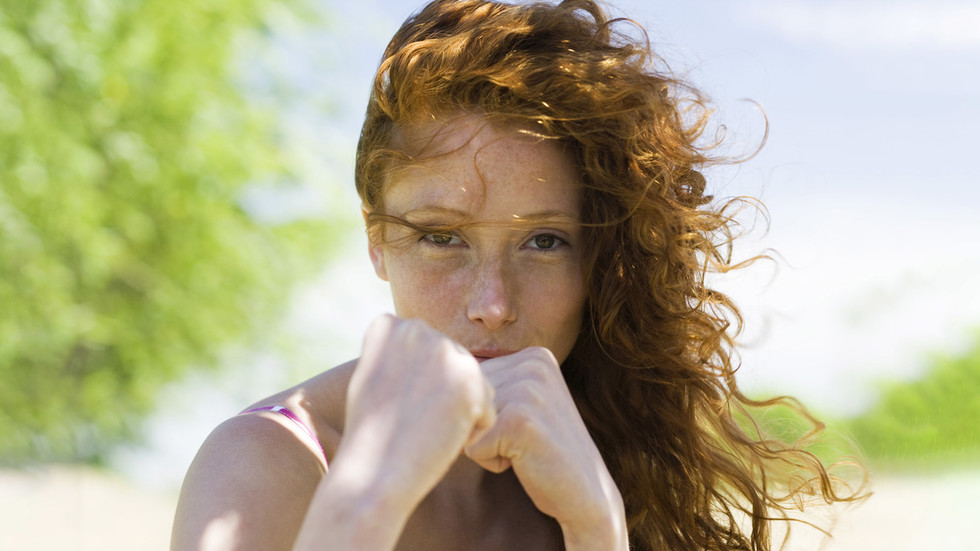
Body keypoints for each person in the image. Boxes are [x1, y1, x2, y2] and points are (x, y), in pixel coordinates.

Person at [171, 1, 864, 549]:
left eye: (543, 241)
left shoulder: (608, 450)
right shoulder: (266, 466)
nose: (493, 304)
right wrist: (369, 495)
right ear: (376, 237)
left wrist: (597, 524)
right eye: (441, 236)